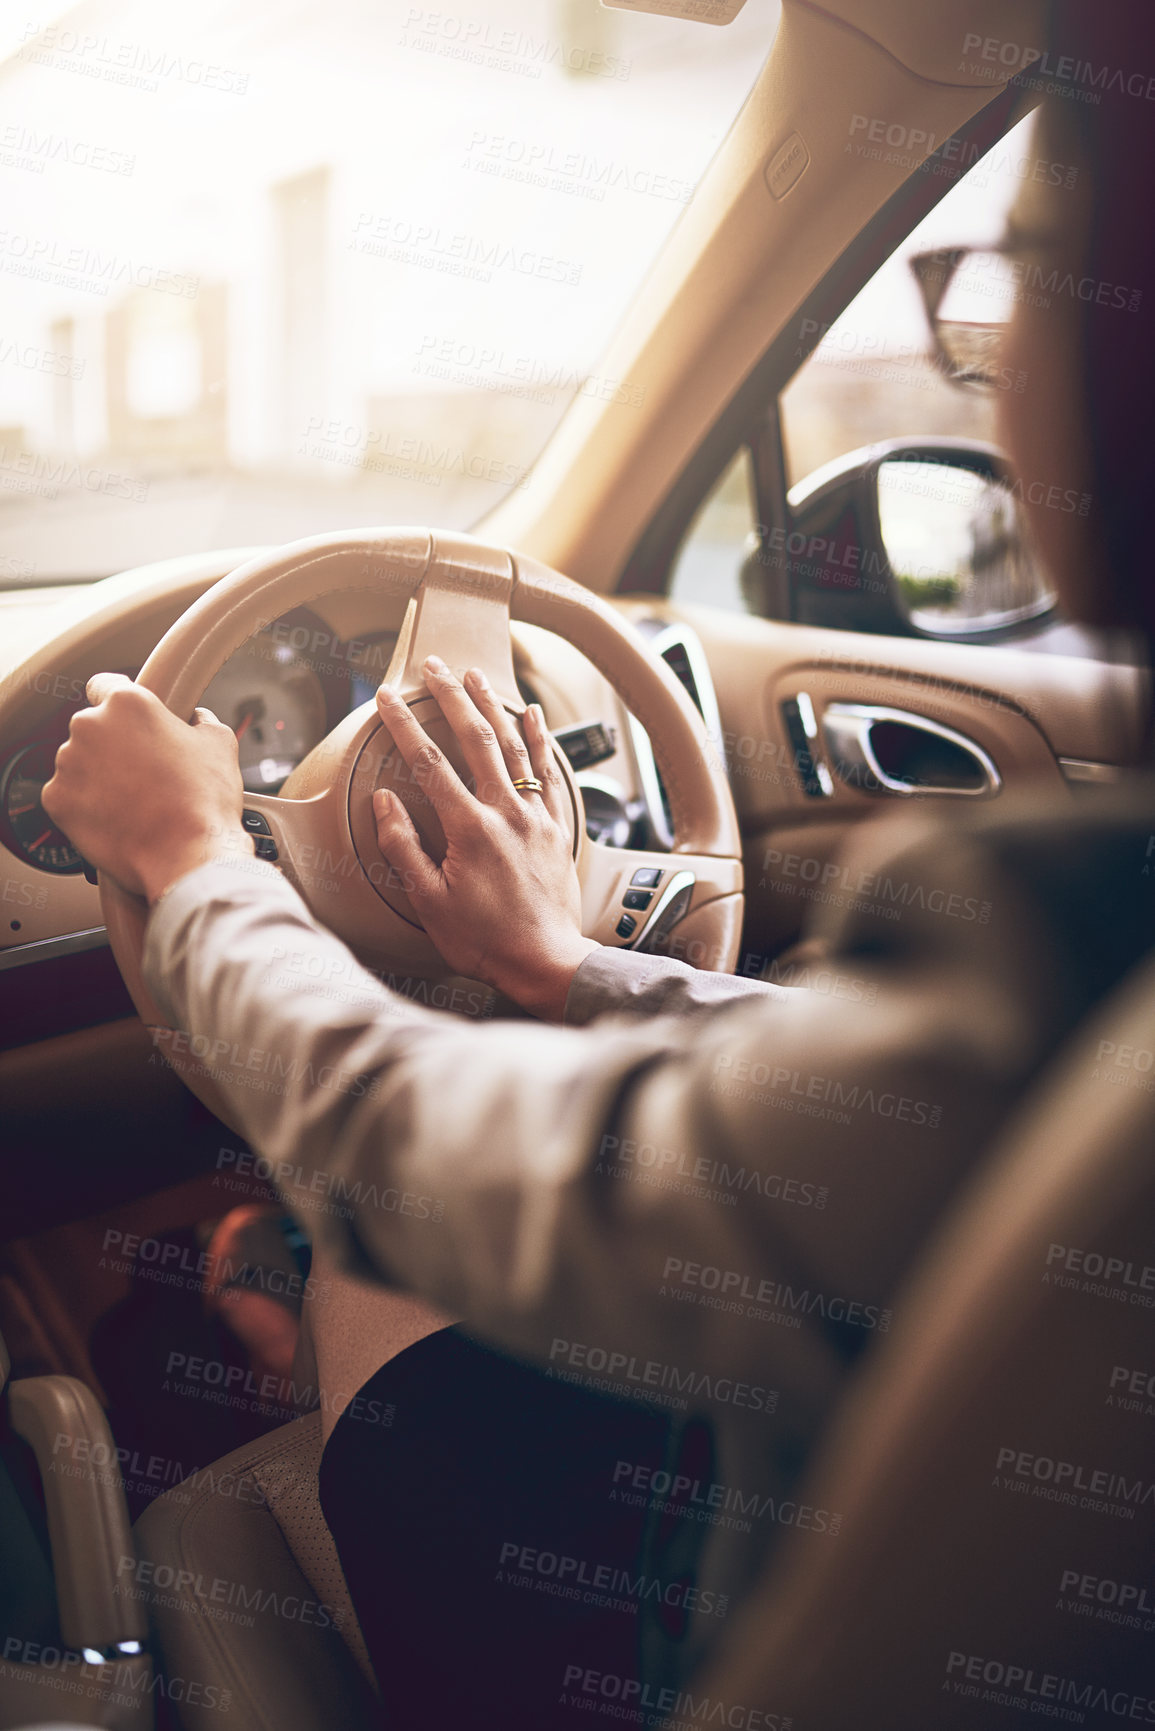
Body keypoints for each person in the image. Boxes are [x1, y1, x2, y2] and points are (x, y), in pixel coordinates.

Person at [40, 6, 1155, 1724]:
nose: (995, 369)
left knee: (378, 1235)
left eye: (1016, 286)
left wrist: (194, 857)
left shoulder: (1075, 921)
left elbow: (394, 1130)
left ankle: (279, 1326)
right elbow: (893, 1131)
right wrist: (562, 969)